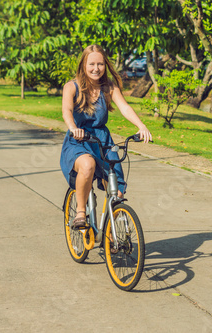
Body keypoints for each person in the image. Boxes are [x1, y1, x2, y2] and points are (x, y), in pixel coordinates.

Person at [60, 44, 152, 228]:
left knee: (117, 189)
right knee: (87, 165)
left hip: (103, 141)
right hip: (79, 140)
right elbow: (67, 110)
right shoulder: (72, 87)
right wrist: (73, 127)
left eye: (100, 64)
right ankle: (80, 213)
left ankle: (112, 229)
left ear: (105, 65)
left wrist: (141, 126)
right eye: (91, 64)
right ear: (83, 65)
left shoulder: (109, 87)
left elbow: (124, 107)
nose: (96, 68)